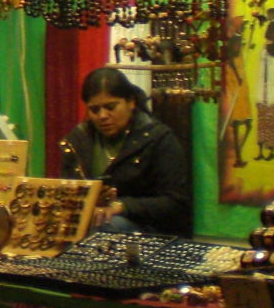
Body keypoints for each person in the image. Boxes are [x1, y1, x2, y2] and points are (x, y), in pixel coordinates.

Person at [60, 66, 191, 237]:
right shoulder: (78, 140)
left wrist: (124, 207)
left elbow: (176, 202)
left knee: (109, 225)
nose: (102, 116)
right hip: (91, 221)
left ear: (131, 102)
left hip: (148, 229)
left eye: (111, 107)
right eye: (94, 110)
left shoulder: (158, 138)